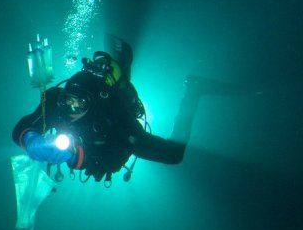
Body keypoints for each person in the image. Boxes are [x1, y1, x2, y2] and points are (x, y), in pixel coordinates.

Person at [12, 36, 196, 183]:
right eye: (66, 101)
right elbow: (22, 127)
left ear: (91, 104)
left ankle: (193, 92)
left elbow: (115, 159)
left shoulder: (114, 115)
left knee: (174, 155)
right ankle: (122, 62)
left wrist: (78, 156)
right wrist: (29, 138)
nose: (70, 108)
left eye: (79, 103)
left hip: (111, 133)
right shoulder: (53, 103)